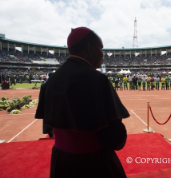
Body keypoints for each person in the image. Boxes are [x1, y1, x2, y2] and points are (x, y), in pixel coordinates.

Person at [35, 27, 130, 178]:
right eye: (100, 49)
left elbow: (49, 129)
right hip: (93, 163)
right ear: (89, 48)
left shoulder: (51, 80)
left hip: (60, 162)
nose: (102, 54)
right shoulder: (98, 79)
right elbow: (115, 139)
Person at [35, 72, 54, 138]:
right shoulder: (56, 84)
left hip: (46, 105)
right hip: (54, 104)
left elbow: (41, 96)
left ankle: (49, 133)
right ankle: (53, 132)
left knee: (47, 119)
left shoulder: (44, 84)